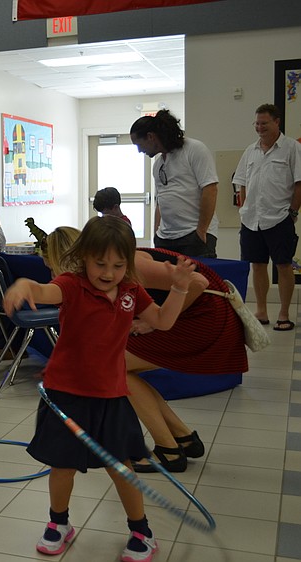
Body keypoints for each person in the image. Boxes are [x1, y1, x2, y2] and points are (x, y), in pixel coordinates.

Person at [4, 216, 196, 561]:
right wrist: (23, 285)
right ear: (85, 256)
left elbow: (164, 321)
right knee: (61, 465)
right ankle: (58, 523)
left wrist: (180, 287)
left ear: (128, 263)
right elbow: (44, 291)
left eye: (118, 265)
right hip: (65, 394)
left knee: (121, 466)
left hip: (110, 396)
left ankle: (141, 531)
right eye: (100, 263)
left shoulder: (131, 292)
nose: (108, 272)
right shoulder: (73, 285)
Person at [41, 226, 248, 473]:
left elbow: (197, 282)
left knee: (118, 367)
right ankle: (182, 437)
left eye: (51, 266)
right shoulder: (110, 268)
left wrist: (151, 323)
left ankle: (169, 450)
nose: (53, 273)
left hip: (205, 317)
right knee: (122, 367)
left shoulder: (127, 265)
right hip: (199, 316)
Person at [233, 103, 301, 331]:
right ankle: (261, 311)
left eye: (264, 123)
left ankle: (284, 313)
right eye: (257, 124)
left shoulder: (291, 148)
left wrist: (292, 212)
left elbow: (299, 183)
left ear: (277, 122)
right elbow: (241, 183)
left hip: (280, 217)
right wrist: (244, 208)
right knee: (257, 265)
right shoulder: (250, 151)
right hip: (252, 219)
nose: (260, 128)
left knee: (283, 265)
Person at [130, 109, 219, 258]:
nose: (139, 151)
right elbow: (160, 201)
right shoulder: (158, 164)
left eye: (139, 145)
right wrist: (156, 234)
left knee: (197, 280)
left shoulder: (194, 149)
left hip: (193, 235)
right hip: (165, 239)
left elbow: (210, 189)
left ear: (150, 137)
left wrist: (201, 231)